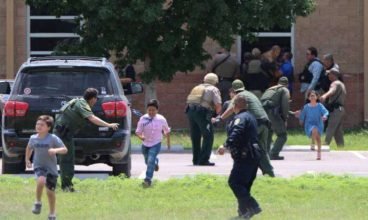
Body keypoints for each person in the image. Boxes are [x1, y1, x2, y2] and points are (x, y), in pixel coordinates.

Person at [53, 88, 119, 192]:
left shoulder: (77, 101)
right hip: (63, 135)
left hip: (60, 132)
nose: (96, 101)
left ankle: (52, 184)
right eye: (96, 98)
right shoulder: (83, 104)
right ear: (92, 99)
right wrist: (109, 125)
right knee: (67, 161)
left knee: (55, 160)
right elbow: (92, 118)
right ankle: (66, 186)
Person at [216, 80, 275, 177]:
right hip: (265, 124)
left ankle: (241, 174)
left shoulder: (239, 97)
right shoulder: (251, 94)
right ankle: (269, 173)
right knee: (261, 150)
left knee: (243, 147)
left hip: (255, 124)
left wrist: (220, 118)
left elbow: (231, 109)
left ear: (234, 90)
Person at [217, 95, 262, 219]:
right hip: (253, 155)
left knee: (234, 182)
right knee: (244, 185)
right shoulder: (250, 116)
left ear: (234, 106)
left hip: (245, 155)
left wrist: (225, 146)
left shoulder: (240, 118)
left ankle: (253, 206)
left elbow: (237, 131)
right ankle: (243, 212)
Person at [25, 115, 68, 220]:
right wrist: (27, 159)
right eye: (37, 124)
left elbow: (65, 149)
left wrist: (55, 150)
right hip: (39, 166)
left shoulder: (52, 138)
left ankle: (52, 214)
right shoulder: (33, 138)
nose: (39, 126)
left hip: (51, 169)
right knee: (41, 180)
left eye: (42, 125)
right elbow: (29, 148)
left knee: (50, 192)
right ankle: (38, 202)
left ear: (48, 128)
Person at [186, 73, 222, 166]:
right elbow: (218, 105)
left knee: (195, 136)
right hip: (202, 113)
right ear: (215, 81)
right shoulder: (214, 89)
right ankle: (204, 160)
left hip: (190, 112)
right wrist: (216, 115)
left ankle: (196, 159)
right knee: (208, 136)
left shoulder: (197, 87)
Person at [136, 99, 170, 187]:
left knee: (150, 160)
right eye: (149, 110)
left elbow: (167, 131)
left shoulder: (161, 119)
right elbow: (138, 132)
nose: (151, 112)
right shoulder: (143, 119)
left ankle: (147, 180)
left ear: (157, 110)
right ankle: (155, 162)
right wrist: (141, 137)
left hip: (156, 143)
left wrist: (168, 143)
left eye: (153, 110)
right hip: (145, 144)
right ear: (147, 110)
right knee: (147, 161)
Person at [261, 77, 290, 160]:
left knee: (269, 133)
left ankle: (266, 154)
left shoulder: (270, 89)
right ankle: (274, 153)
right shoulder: (284, 90)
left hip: (263, 113)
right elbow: (285, 105)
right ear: (287, 84)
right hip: (273, 114)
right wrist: (285, 117)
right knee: (282, 135)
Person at [320, 68, 346, 147]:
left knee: (330, 128)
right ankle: (341, 146)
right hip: (340, 109)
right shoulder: (341, 84)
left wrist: (324, 96)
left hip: (336, 110)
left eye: (329, 74)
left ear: (333, 75)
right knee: (338, 130)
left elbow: (332, 90)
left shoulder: (335, 83)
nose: (328, 75)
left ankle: (325, 145)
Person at [299, 90, 329, 160]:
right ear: (308, 98)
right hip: (309, 124)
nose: (312, 97)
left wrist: (325, 116)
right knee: (314, 130)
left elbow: (326, 112)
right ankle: (313, 142)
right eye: (310, 96)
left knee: (318, 137)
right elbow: (302, 115)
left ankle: (319, 153)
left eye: (313, 95)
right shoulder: (306, 107)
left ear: (316, 97)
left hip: (319, 124)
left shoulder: (320, 106)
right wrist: (301, 120)